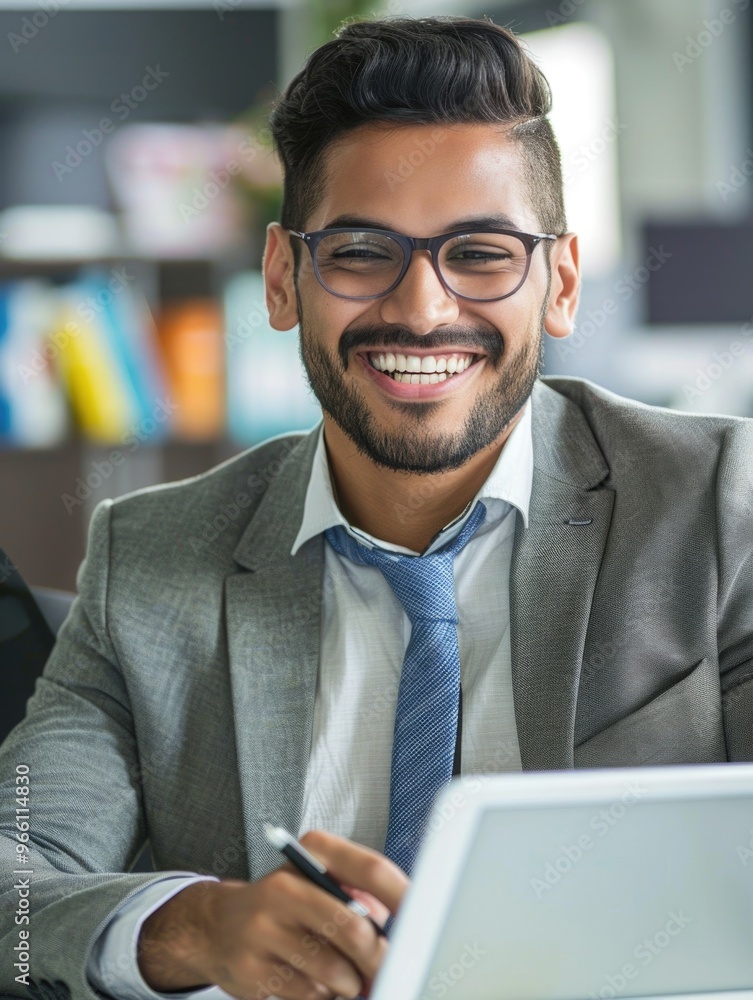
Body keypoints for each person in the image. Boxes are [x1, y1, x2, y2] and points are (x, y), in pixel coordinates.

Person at [1, 13, 752, 1000]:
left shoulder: (721, 507)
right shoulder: (148, 555)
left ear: (559, 283)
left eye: (481, 252)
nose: (423, 307)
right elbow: (16, 890)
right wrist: (193, 926)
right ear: (284, 277)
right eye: (360, 251)